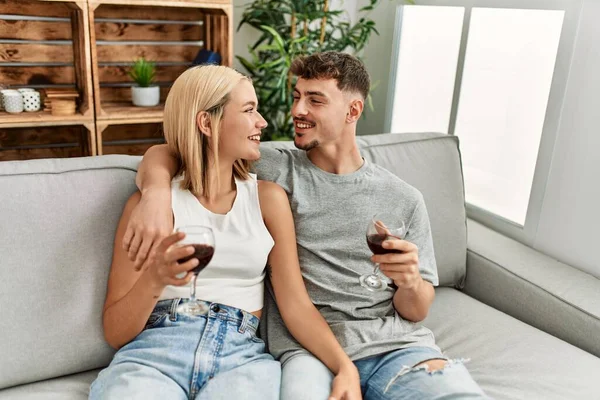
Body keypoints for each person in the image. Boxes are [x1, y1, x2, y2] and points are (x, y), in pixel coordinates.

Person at [127, 52, 489, 399]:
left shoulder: (404, 198)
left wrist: (410, 281)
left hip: (397, 347)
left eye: (315, 100)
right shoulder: (268, 167)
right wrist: (156, 192)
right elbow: (178, 149)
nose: (297, 110)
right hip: (307, 350)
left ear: (353, 110)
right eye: (297, 96)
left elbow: (417, 309)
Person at [89, 64, 361, 400]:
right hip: (155, 352)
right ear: (206, 123)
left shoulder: (268, 201)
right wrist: (155, 278)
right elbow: (116, 332)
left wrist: (344, 366)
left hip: (241, 357)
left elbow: (297, 307)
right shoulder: (148, 209)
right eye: (249, 110)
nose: (262, 122)